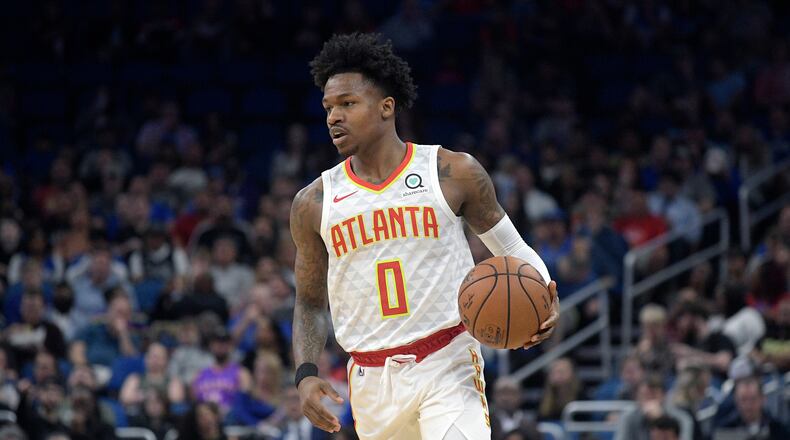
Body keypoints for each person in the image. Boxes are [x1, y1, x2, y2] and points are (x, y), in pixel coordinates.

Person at [290, 33, 559, 439]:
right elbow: (310, 302)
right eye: (328, 107)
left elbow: (514, 249)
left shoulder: (451, 172)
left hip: (447, 361)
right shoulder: (314, 202)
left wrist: (545, 295)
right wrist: (306, 374)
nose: (333, 117)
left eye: (347, 104)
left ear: (386, 108)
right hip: (370, 377)